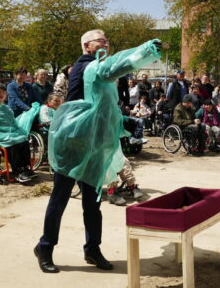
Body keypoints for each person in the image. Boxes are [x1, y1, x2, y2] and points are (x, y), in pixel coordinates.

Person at [35, 30, 162, 274]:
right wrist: (146, 50)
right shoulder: (87, 66)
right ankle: (45, 247)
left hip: (91, 144)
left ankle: (93, 249)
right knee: (59, 199)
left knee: (93, 202)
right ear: (86, 45)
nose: (106, 44)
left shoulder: (97, 67)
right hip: (72, 144)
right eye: (101, 41)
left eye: (107, 41)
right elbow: (117, 67)